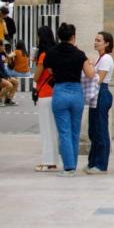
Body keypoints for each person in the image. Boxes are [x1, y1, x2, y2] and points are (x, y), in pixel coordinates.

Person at [43, 23, 95, 177]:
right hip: (76, 92)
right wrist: (90, 63)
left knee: (64, 132)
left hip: (59, 91)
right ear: (73, 36)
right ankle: (73, 164)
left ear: (59, 36)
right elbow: (90, 74)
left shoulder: (52, 53)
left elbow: (49, 70)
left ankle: (69, 167)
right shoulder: (79, 54)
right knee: (75, 131)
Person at [85, 31, 114, 174]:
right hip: (97, 93)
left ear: (107, 43)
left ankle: (101, 164)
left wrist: (89, 67)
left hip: (102, 92)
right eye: (95, 39)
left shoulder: (106, 59)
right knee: (94, 129)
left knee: (101, 129)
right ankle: (92, 162)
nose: (96, 42)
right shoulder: (100, 58)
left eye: (99, 40)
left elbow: (99, 79)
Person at [32, 26, 59, 172]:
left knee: (46, 129)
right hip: (54, 92)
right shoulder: (55, 52)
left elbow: (36, 76)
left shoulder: (43, 55)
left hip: (44, 93)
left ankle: (48, 161)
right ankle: (53, 160)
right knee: (53, 128)